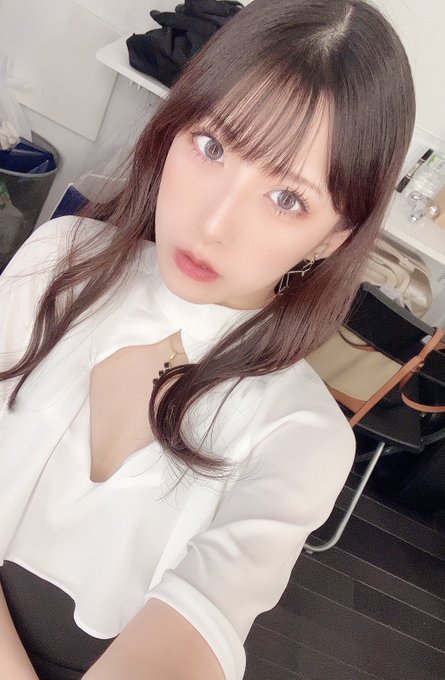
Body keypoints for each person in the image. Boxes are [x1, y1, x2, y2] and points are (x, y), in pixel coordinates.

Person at [0, 0, 415, 678]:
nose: (214, 223)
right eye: (213, 147)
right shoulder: (59, 261)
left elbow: (198, 629)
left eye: (286, 198)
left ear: (335, 236)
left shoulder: (301, 436)